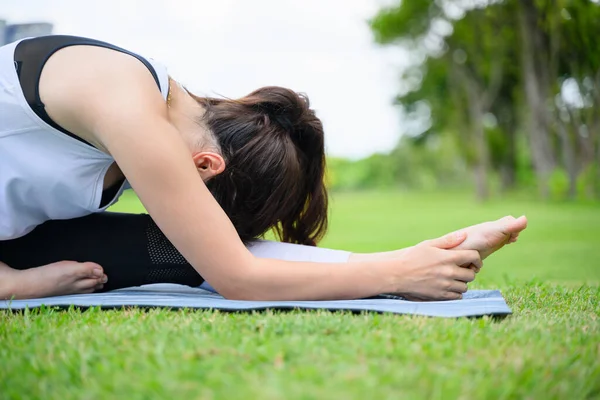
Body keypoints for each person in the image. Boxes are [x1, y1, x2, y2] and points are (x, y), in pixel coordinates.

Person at [0, 35, 527, 301]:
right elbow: (237, 276)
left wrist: (406, 258)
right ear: (205, 166)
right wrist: (400, 275)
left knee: (185, 254)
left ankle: (419, 256)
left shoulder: (161, 104)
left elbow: (225, 258)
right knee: (209, 257)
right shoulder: (129, 105)